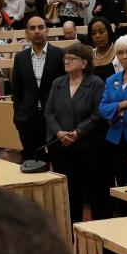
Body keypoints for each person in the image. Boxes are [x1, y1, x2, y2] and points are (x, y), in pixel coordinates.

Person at [46, 42, 109, 221]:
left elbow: (99, 113)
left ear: (84, 63)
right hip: (63, 149)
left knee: (96, 196)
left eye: (71, 58)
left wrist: (78, 132)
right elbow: (49, 112)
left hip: (90, 148)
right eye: (65, 57)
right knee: (70, 196)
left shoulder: (95, 83)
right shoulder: (58, 83)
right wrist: (59, 132)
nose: (66, 60)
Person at [11, 15, 65, 162]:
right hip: (28, 118)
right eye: (32, 28)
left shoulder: (60, 54)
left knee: (59, 161)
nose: (37, 31)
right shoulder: (20, 58)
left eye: (41, 27)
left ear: (47, 31)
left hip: (55, 118)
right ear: (27, 33)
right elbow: (17, 90)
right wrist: (18, 116)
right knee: (32, 162)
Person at [98, 36, 127, 186]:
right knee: (122, 181)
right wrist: (122, 105)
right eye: (120, 53)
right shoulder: (112, 79)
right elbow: (102, 108)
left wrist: (118, 108)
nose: (125, 57)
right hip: (115, 138)